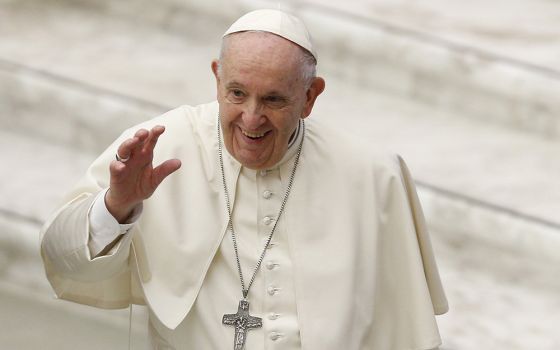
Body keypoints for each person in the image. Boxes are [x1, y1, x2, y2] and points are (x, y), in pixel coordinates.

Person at [40, 8, 448, 350]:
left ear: (310, 97)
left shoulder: (372, 174)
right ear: (217, 77)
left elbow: (407, 331)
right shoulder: (159, 147)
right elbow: (64, 262)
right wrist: (116, 207)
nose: (251, 119)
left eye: (273, 99)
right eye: (237, 93)